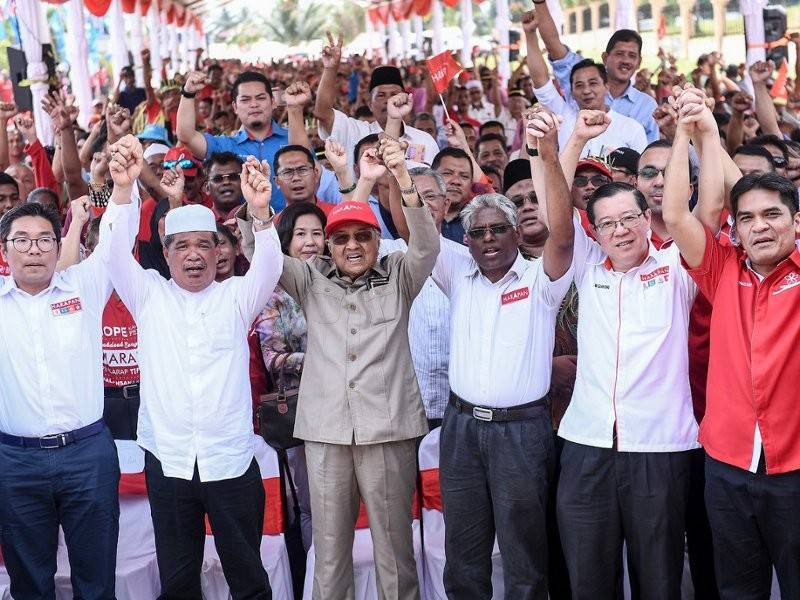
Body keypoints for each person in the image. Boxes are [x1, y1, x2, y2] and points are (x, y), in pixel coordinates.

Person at [530, 109, 702, 600]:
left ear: (647, 219)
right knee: (588, 579)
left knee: (659, 580)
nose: (620, 230)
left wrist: (689, 131)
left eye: (629, 218)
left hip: (659, 446)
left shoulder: (677, 267)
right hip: (586, 444)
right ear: (596, 232)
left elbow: (695, 210)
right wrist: (574, 140)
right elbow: (553, 212)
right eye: (607, 224)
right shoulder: (588, 267)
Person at [259, 136, 439, 599]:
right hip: (325, 433)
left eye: (363, 236)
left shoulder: (400, 274)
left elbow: (427, 246)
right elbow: (264, 263)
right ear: (328, 245)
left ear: (377, 241)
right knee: (330, 553)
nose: (353, 245)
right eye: (341, 238)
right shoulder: (310, 278)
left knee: (394, 554)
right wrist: (260, 212)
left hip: (388, 432)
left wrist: (402, 182)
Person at [105, 155, 283, 599]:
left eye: (204, 244)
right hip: (168, 459)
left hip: (229, 459)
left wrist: (260, 212)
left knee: (248, 577)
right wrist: (124, 193)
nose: (194, 255)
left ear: (220, 250)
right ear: (165, 254)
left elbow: (270, 268)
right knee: (179, 579)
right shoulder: (148, 293)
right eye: (181, 246)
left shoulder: (237, 296)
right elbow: (111, 252)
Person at [663, 86, 800, 600]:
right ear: (735, 231)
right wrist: (687, 133)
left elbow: (751, 193)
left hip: (795, 469)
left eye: (773, 216)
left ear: (796, 223)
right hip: (726, 466)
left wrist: (712, 134)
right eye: (746, 220)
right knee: (738, 591)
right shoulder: (721, 270)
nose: (759, 226)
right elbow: (678, 216)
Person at [433, 106, 575, 599]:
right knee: (465, 559)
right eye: (479, 232)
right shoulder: (455, 273)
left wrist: (549, 152)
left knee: (524, 560)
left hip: (522, 433)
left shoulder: (543, 280)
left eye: (499, 230)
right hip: (462, 430)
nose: (489, 239)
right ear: (466, 240)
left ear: (518, 233)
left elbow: (563, 233)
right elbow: (416, 228)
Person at [0, 134, 141, 600]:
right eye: (23, 240)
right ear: (6, 251)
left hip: (87, 455)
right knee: (30, 581)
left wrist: (122, 188)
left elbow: (118, 236)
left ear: (59, 243)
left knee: (96, 578)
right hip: (14, 461)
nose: (35, 249)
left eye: (45, 239)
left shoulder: (84, 285)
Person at [523, 11, 647, 157]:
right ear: (572, 92)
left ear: (606, 86)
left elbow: (642, 172)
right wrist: (530, 34)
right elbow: (540, 81)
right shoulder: (563, 118)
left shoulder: (631, 128)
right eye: (579, 85)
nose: (586, 90)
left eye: (593, 83)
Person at [314, 33, 440, 167]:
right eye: (381, 95)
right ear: (370, 104)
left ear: (407, 99)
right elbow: (322, 113)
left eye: (394, 94)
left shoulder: (425, 140)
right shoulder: (356, 132)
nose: (389, 100)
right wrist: (330, 69)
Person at [178, 70, 290, 210]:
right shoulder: (223, 145)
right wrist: (188, 93)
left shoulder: (293, 139)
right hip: (240, 229)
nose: (254, 104)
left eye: (260, 98)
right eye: (245, 100)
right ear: (235, 107)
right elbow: (186, 135)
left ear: (273, 102)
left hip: (290, 227)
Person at [273, 145, 336, 218]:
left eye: (302, 170)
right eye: (287, 172)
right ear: (277, 181)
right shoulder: (273, 226)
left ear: (316, 175)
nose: (296, 178)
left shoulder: (336, 215)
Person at [205, 151, 245, 219]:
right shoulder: (201, 223)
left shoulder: (259, 220)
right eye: (218, 178)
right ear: (207, 188)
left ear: (244, 182)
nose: (226, 182)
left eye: (233, 177)